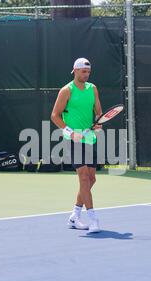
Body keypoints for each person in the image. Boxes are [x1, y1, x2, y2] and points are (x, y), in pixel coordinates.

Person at [50, 58, 103, 233]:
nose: (86, 74)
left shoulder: (92, 89)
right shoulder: (66, 91)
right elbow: (55, 116)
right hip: (73, 139)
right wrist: (71, 132)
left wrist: (98, 122)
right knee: (84, 178)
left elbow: (98, 112)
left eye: (88, 72)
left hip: (89, 138)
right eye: (83, 71)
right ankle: (93, 219)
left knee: (91, 179)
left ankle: (74, 216)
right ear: (75, 71)